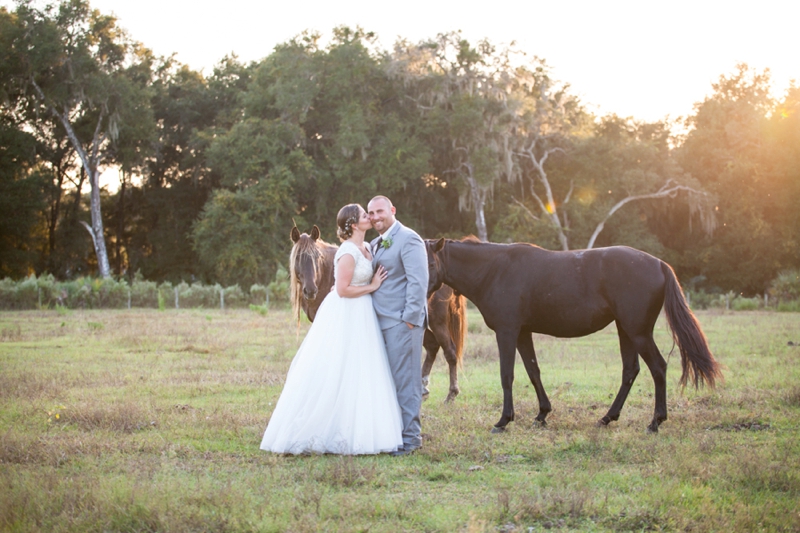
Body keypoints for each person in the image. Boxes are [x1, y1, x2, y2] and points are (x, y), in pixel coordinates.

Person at [260, 204, 403, 455]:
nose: (369, 217)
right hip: (348, 310)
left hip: (363, 314)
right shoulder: (347, 252)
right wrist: (373, 286)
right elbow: (342, 289)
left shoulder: (368, 247)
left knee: (362, 370)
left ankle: (360, 426)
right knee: (339, 368)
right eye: (363, 215)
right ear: (353, 224)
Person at [368, 195, 429, 456]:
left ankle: (411, 439)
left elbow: (418, 281)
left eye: (379, 211)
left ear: (392, 210)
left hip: (402, 324)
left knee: (407, 382)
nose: (375, 217)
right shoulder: (373, 244)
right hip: (378, 322)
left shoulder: (409, 238)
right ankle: (394, 435)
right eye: (370, 213)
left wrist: (410, 319)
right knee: (388, 382)